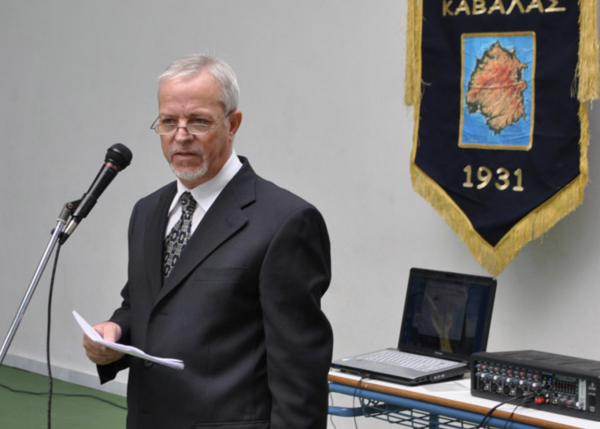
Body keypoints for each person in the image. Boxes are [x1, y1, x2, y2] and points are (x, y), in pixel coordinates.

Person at [82, 54, 334, 429]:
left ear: (233, 124)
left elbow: (300, 376)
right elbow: (144, 305)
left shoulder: (285, 221)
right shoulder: (147, 211)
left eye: (199, 121)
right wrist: (115, 332)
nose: (181, 135)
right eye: (169, 121)